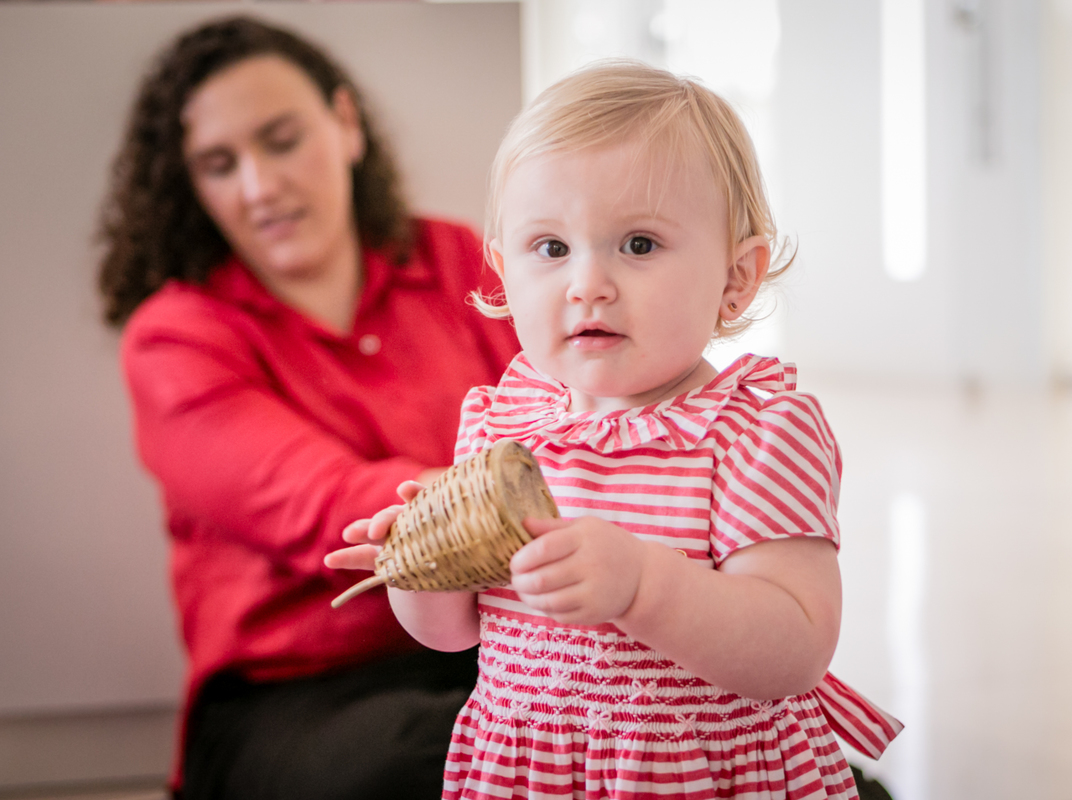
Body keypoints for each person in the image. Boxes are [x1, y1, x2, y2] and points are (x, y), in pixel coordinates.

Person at [327, 60, 901, 799]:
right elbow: (455, 633)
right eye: (551, 249)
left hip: (696, 774)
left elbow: (795, 651)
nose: (587, 285)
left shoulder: (755, 434)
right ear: (503, 273)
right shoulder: (503, 427)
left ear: (736, 277)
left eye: (638, 245)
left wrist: (642, 585)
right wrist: (417, 569)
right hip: (533, 771)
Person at [97, 16, 520, 800]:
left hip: (497, 642)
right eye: (219, 164)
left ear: (346, 125)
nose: (259, 187)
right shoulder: (173, 337)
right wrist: (531, 502)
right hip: (296, 696)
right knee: (465, 756)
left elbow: (570, 419)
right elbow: (324, 506)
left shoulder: (457, 260)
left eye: (282, 140)